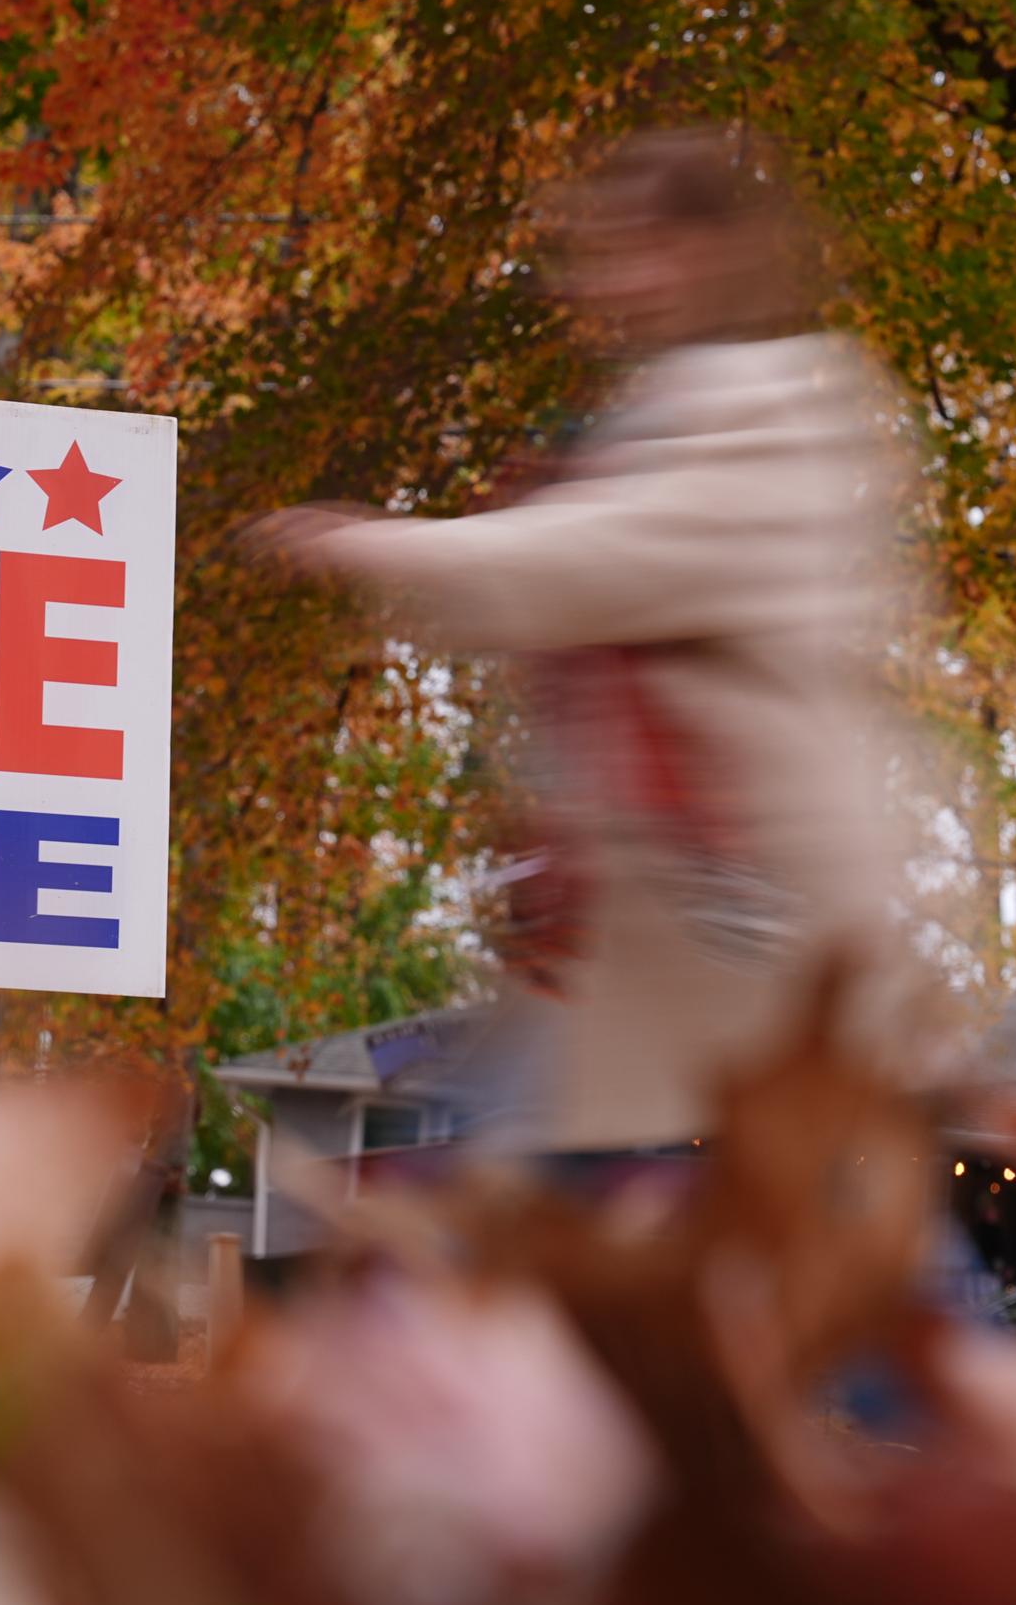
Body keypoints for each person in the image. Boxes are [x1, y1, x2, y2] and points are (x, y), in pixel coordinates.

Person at [248, 126, 947, 1170]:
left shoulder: (786, 400)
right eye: (603, 250)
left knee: (799, 1253)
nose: (612, 278)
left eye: (641, 245)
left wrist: (372, 545)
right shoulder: (641, 418)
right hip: (634, 955)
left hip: (752, 934)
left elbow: (597, 560)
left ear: (716, 250)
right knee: (566, 1226)